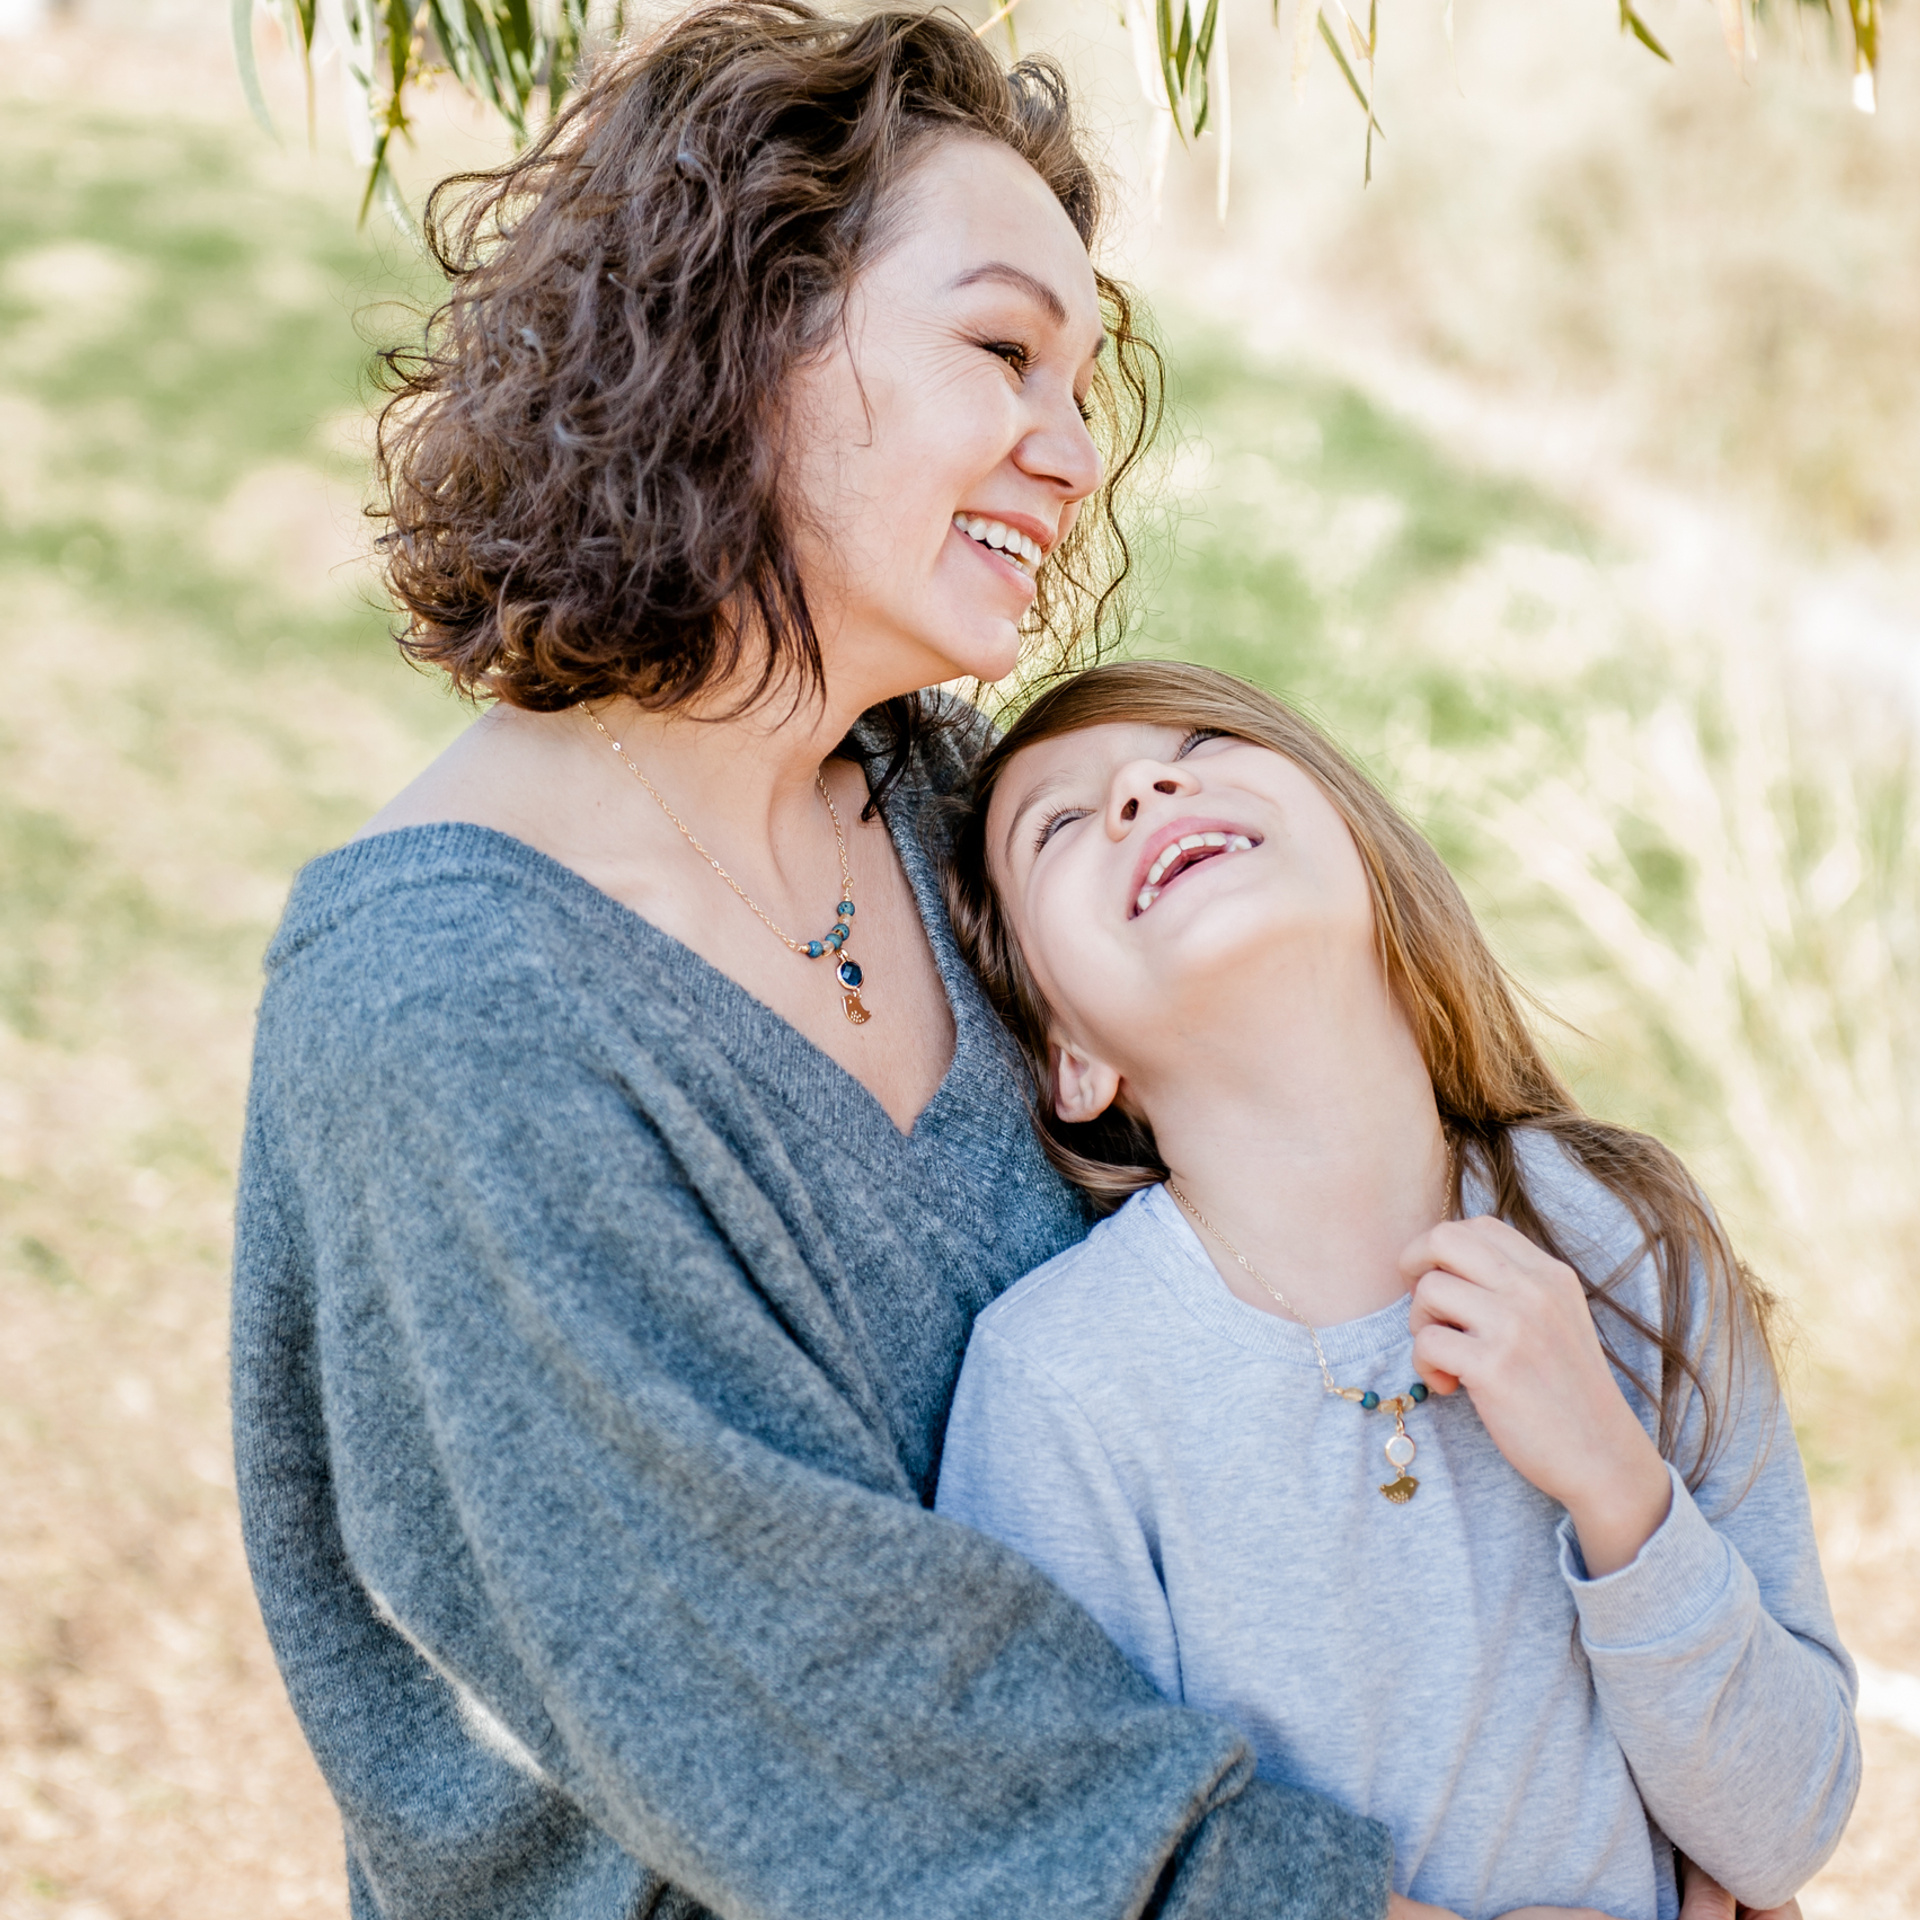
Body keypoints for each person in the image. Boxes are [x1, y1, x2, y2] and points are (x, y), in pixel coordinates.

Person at [229, 3, 1808, 1913]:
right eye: (1001, 351)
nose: (1072, 454)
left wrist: (1645, 1795)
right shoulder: (450, 1015)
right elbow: (824, 1722)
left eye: (1084, 379)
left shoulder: (936, 804)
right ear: (746, 339)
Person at [934, 659, 1862, 1920]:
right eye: (1058, 825)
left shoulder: (1625, 1235)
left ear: (1363, 856)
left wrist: (1611, 1478)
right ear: (1073, 1057)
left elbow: (1787, 1827)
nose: (1147, 786)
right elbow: (1070, 1864)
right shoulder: (1061, 1386)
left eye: (1202, 743)